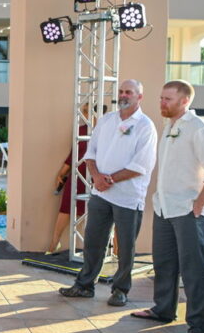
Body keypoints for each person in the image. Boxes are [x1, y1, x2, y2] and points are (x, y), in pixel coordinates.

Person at [131, 80, 204, 333]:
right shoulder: (168, 126)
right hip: (165, 207)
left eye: (168, 99)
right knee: (164, 264)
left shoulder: (200, 130)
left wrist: (198, 205)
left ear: (185, 101)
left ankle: (199, 328)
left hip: (188, 211)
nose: (162, 103)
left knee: (193, 271)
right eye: (161, 98)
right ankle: (163, 309)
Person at [59, 81, 157, 305]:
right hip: (101, 194)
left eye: (129, 92)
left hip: (128, 197)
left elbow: (141, 165)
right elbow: (90, 152)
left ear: (139, 97)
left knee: (125, 246)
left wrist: (109, 179)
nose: (123, 95)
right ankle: (84, 285)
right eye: (121, 91)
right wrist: (96, 176)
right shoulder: (106, 120)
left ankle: (120, 290)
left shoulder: (145, 126)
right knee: (93, 241)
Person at [46, 103, 94, 255]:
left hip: (96, 176)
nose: (86, 114)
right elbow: (74, 154)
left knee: (97, 212)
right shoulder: (80, 130)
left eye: (89, 111)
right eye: (84, 111)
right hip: (78, 174)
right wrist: (62, 172)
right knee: (66, 207)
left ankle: (104, 250)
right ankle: (54, 242)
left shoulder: (105, 130)